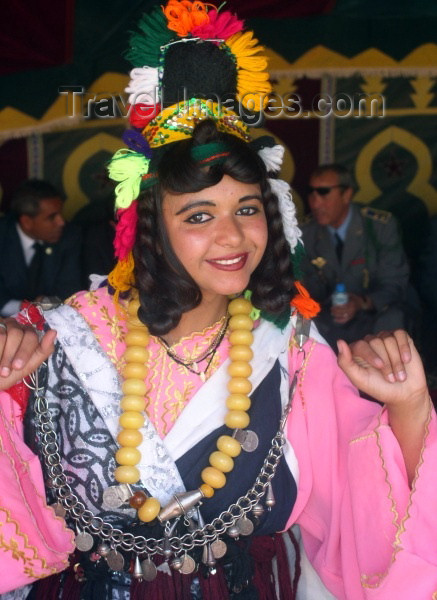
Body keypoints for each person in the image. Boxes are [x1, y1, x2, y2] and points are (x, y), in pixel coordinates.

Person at [0, 4, 435, 600]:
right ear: (153, 225)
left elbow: (367, 512)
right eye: (199, 215)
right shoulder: (57, 340)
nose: (232, 239)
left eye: (247, 209)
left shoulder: (295, 353)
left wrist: (409, 404)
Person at [300, 164, 410, 348]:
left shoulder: (380, 226)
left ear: (346, 194)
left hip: (373, 314)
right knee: (298, 321)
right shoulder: (305, 232)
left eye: (324, 192)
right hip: (329, 317)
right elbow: (302, 288)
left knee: (394, 318)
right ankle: (299, 374)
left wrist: (361, 303)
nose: (315, 202)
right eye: (311, 193)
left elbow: (395, 283)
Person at [0, 179, 82, 317]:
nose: (61, 222)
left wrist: (46, 303)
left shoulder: (69, 236)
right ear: (27, 222)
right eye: (52, 217)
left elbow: (71, 292)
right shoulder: (2, 237)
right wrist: (29, 307)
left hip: (53, 324)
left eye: (60, 213)